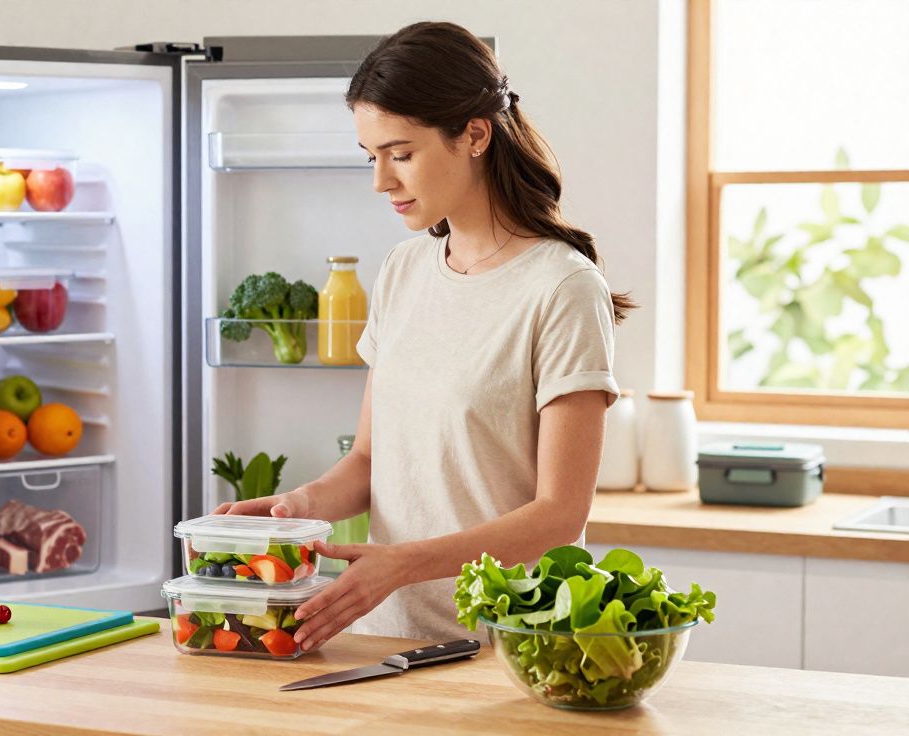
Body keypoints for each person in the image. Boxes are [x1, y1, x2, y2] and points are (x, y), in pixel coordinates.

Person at [212, 21, 634, 652]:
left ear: (475, 135)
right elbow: (368, 460)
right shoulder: (403, 272)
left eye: (401, 154)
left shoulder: (561, 287)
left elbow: (559, 516)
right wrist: (295, 510)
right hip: (387, 641)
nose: (380, 181)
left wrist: (402, 562)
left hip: (512, 648)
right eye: (371, 156)